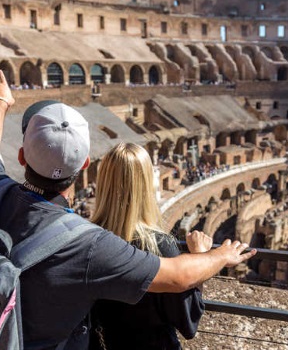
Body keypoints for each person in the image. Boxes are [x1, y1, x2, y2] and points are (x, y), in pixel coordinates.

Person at [0, 70, 256, 350]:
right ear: (85, 165)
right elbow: (177, 276)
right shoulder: (87, 244)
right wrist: (218, 255)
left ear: (21, 156)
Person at [89, 143, 210, 349]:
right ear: (146, 185)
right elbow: (189, 320)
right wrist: (200, 257)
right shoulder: (161, 247)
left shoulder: (86, 239)